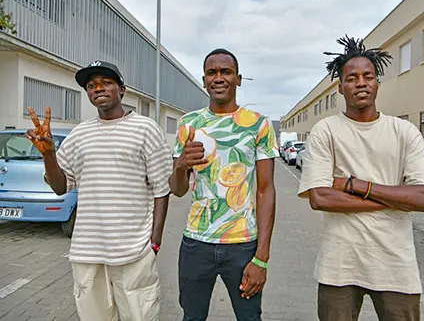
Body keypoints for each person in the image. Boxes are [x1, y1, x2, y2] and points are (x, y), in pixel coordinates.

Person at [298, 36, 424, 321]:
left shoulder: (404, 131)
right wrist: (398, 200)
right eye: (352, 78)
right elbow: (320, 197)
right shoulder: (326, 131)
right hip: (339, 266)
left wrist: (355, 185)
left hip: (396, 268)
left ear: (377, 83)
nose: (360, 82)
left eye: (368, 76)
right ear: (340, 87)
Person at [25, 61, 173, 321]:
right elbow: (61, 186)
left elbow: (162, 189)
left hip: (133, 251)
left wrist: (155, 241)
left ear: (122, 89)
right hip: (87, 252)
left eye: (106, 82)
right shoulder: (80, 135)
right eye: (91, 85)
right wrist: (49, 155)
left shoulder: (146, 129)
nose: (98, 88)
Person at [169, 48, 279, 321]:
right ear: (204, 80)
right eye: (212, 72)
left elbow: (266, 191)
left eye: (226, 72)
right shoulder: (189, 124)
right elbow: (178, 189)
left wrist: (261, 257)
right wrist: (182, 165)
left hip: (242, 245)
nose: (219, 78)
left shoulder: (258, 125)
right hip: (196, 243)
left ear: (238, 79)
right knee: (192, 317)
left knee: (249, 318)